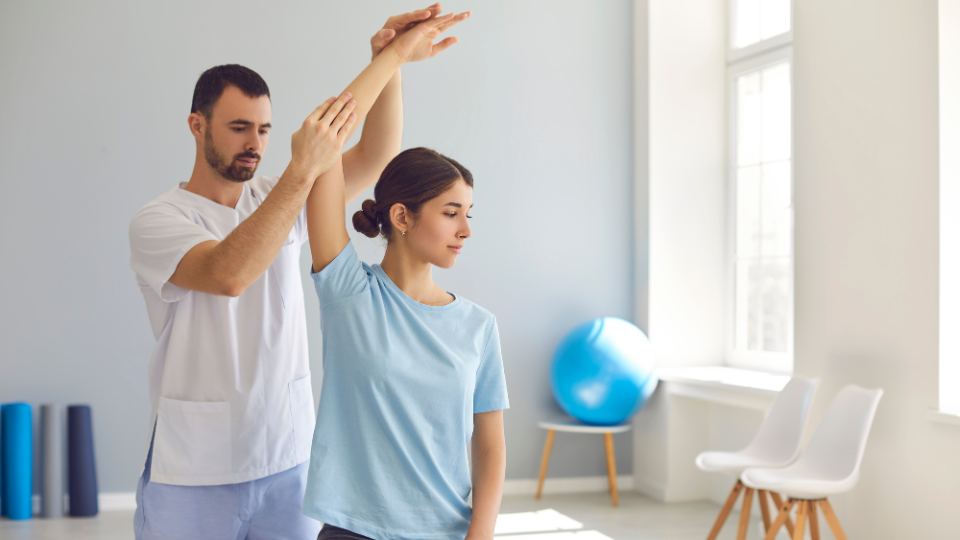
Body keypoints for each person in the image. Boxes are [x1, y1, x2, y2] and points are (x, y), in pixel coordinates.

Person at [127, 6, 470, 539]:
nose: (255, 144)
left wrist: (389, 62)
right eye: (239, 127)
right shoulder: (160, 219)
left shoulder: (274, 195)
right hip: (194, 471)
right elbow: (230, 274)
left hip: (288, 460)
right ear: (197, 127)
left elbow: (376, 155)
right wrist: (304, 169)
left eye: (263, 128)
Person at [301, 55, 507, 540]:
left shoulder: (479, 327)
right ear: (402, 216)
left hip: (447, 532)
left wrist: (480, 536)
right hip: (353, 529)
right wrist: (389, 59)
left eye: (469, 214)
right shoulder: (348, 292)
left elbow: (491, 448)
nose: (465, 230)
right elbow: (324, 145)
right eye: (452, 212)